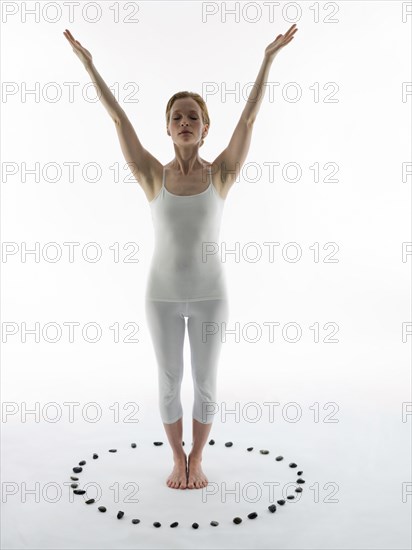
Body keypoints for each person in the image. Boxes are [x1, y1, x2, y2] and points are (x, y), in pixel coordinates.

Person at [63, 23, 298, 490]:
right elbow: (117, 120)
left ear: (205, 128)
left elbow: (249, 120)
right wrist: (88, 64)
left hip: (212, 296)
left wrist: (268, 58)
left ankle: (200, 458)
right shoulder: (152, 175)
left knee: (206, 382)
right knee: (169, 381)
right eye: (177, 118)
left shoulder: (222, 174)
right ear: (168, 128)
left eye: (193, 117)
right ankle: (178, 459)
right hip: (163, 297)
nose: (185, 122)